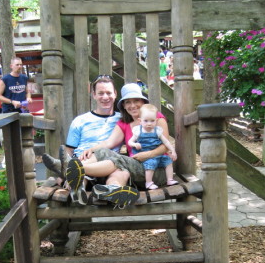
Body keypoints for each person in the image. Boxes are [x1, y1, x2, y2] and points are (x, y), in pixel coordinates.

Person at [44, 83, 175, 207]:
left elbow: (166, 145)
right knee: (106, 154)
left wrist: (147, 155)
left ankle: (70, 169)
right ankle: (110, 190)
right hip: (136, 169)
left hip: (157, 170)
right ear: (123, 105)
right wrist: (91, 149)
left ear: (143, 102)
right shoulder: (124, 123)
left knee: (116, 160)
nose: (132, 105)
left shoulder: (155, 117)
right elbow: (109, 143)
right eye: (128, 102)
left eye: (136, 101)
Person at [43, 75, 139, 208]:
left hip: (109, 167)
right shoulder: (80, 120)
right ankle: (77, 189)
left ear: (115, 94)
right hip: (86, 162)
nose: (105, 97)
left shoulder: (123, 119)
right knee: (81, 174)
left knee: (121, 172)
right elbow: (69, 150)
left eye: (108, 93)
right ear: (93, 95)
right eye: (100, 93)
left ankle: (113, 190)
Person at [128, 104, 177, 189]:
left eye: (152, 121)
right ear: (140, 121)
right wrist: (135, 144)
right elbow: (130, 142)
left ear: (156, 120)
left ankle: (170, 179)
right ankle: (149, 182)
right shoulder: (138, 131)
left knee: (168, 161)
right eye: (146, 121)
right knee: (151, 163)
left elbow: (166, 142)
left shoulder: (157, 131)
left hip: (157, 155)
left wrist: (173, 151)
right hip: (145, 157)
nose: (149, 124)